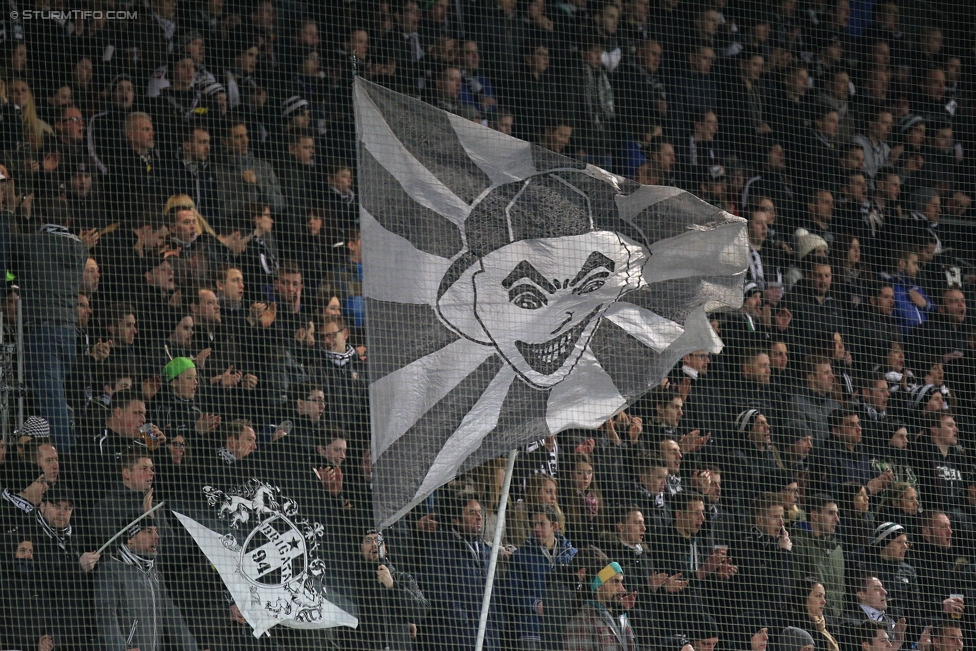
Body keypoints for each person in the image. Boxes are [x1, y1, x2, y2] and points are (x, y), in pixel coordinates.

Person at [94, 517, 200, 650]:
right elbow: (105, 614)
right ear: (130, 539)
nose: (156, 537)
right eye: (148, 532)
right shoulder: (111, 569)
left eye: (156, 531)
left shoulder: (156, 574)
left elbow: (173, 617)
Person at [504, 504, 578, 649]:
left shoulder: (573, 555)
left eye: (542, 524)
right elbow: (510, 594)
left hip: (567, 630)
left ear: (554, 526)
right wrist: (536, 605)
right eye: (533, 524)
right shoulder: (520, 556)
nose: (536, 528)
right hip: (533, 631)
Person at [346, 529, 429, 650]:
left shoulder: (402, 578)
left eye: (379, 540)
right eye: (368, 541)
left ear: (386, 548)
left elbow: (421, 611)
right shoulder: (353, 582)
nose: (374, 544)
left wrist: (393, 586)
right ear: (360, 549)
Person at [563, 559, 636, 651]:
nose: (623, 590)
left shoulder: (621, 617)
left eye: (621, 582)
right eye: (615, 582)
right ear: (598, 586)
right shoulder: (583, 620)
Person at [792, 494, 846, 618]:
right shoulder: (799, 544)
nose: (837, 519)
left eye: (837, 513)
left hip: (836, 622)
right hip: (809, 621)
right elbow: (796, 585)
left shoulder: (837, 549)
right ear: (815, 515)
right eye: (831, 513)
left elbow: (842, 590)